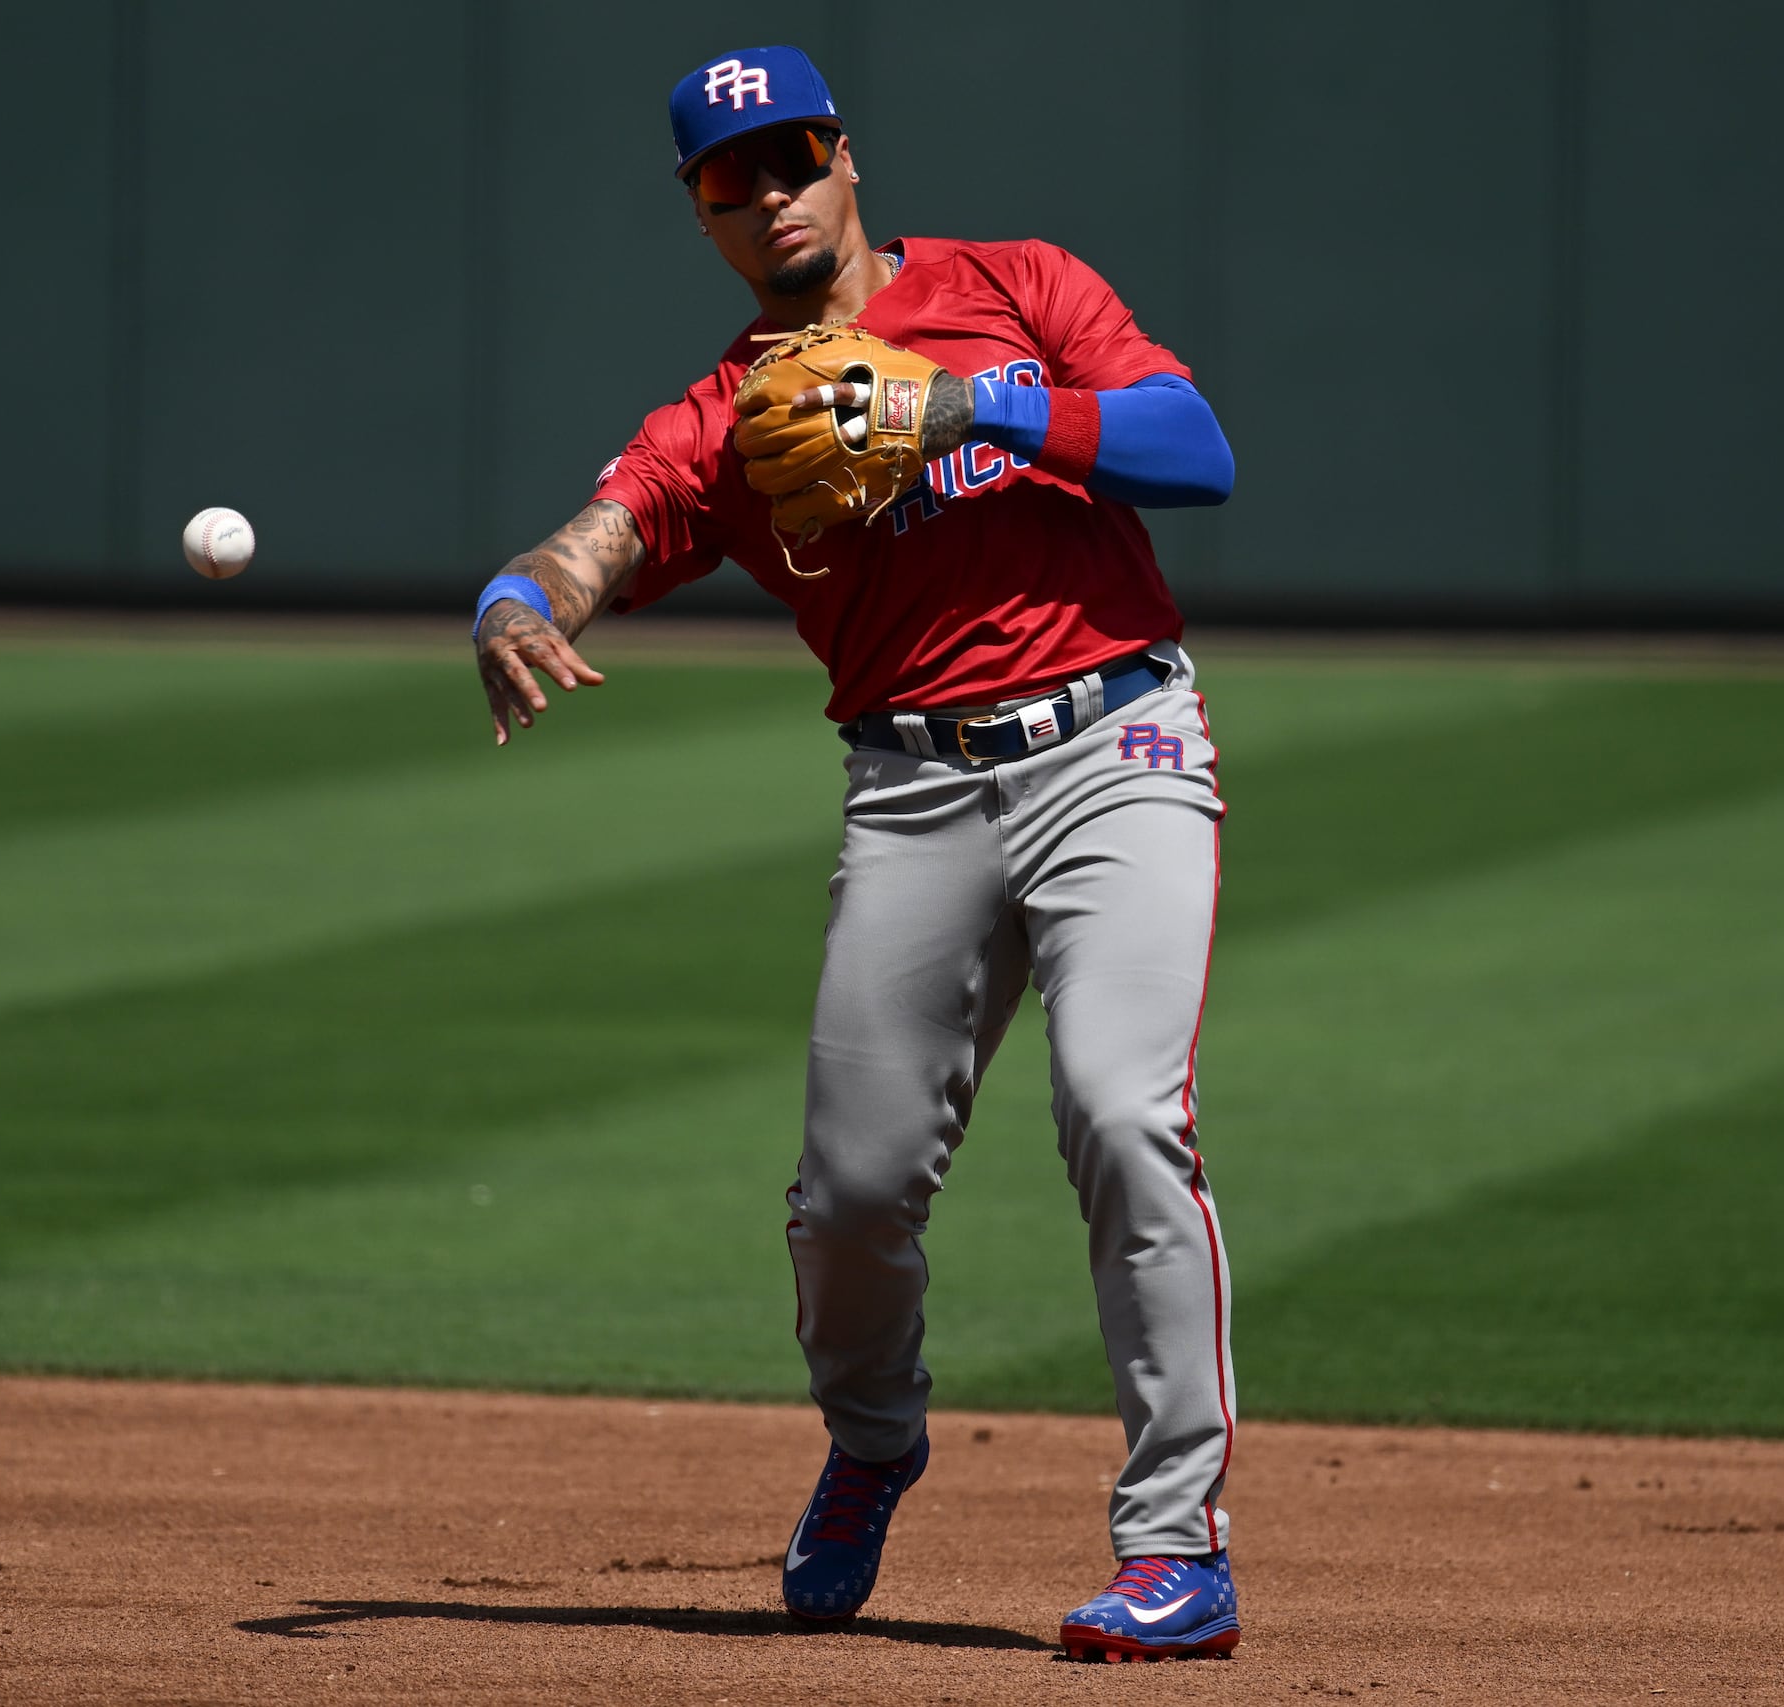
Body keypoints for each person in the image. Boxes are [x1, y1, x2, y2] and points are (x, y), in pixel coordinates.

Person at [469, 45, 1241, 1662]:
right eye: (725, 181)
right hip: (911, 790)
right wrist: (521, 600)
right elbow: (598, 533)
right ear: (702, 220)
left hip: (1120, 748)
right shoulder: (729, 419)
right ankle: (877, 1440)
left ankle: (1179, 1550)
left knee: (1120, 1109)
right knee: (852, 1199)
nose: (769, 194)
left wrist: (973, 401)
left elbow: (1195, 447)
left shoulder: (1018, 286)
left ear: (847, 155)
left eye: (789, 154)